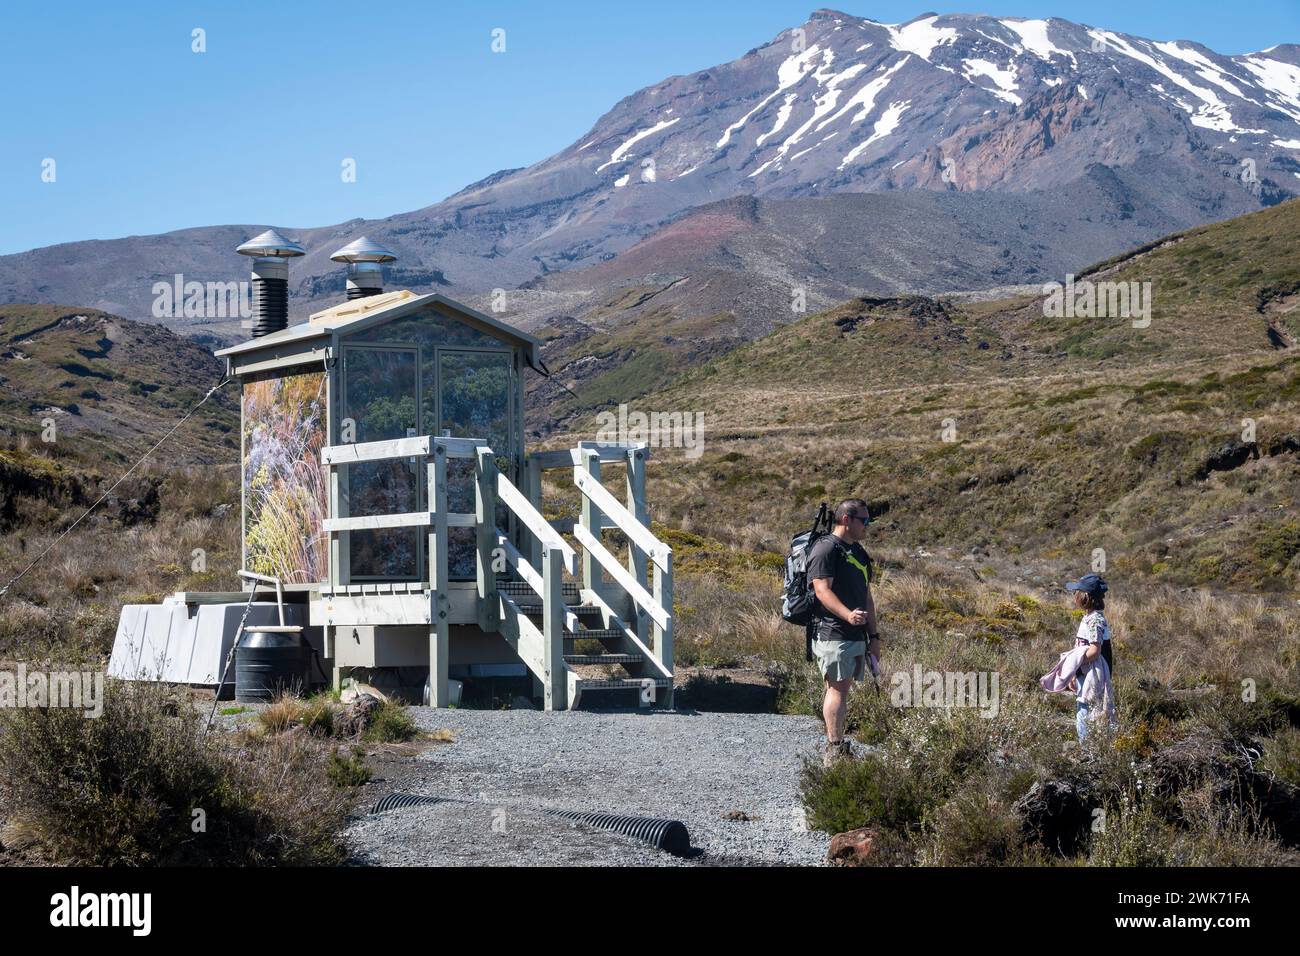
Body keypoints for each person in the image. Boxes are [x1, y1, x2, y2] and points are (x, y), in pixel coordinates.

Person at [807, 498, 880, 765]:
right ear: (846, 520)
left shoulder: (858, 552)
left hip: (855, 634)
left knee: (838, 689)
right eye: (864, 520)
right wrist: (847, 614)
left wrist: (874, 637)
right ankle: (834, 749)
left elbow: (867, 596)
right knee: (838, 689)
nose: (867, 526)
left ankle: (834, 742)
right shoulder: (826, 549)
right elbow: (821, 590)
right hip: (833, 632)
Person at [1065, 573, 1115, 740]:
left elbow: (1095, 650)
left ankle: (1088, 748)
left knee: (1086, 708)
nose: (1074, 595)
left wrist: (1074, 664)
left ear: (1085, 596)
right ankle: (1091, 746)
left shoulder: (1095, 620)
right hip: (1085, 671)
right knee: (1086, 706)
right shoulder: (1089, 618)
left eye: (1076, 592)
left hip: (1092, 672)